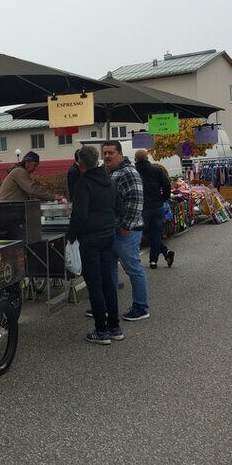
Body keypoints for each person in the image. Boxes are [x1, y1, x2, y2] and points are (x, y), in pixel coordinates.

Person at [67, 146, 124, 344]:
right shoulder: (108, 179)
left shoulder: (84, 183)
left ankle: (101, 331)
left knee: (95, 284)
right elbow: (119, 206)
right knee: (109, 281)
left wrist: (70, 236)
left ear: (80, 164)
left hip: (90, 238)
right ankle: (115, 327)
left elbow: (79, 214)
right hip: (108, 235)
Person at [101, 140, 150, 321]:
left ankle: (141, 307)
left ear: (119, 154)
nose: (106, 156)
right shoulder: (109, 172)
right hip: (111, 230)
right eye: (104, 152)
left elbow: (136, 200)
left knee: (133, 268)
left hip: (126, 231)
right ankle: (109, 306)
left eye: (111, 152)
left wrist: (125, 226)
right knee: (110, 269)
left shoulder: (128, 172)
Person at [134, 150, 175, 270]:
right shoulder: (157, 170)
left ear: (136, 160)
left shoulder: (134, 172)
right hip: (157, 206)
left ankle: (156, 258)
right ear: (147, 158)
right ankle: (159, 256)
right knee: (155, 233)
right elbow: (166, 185)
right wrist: (164, 198)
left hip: (143, 207)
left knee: (146, 233)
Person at [0, 151, 64, 202]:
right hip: (7, 208)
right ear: (27, 162)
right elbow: (32, 190)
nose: (35, 168)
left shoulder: (19, 171)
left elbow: (30, 193)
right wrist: (53, 197)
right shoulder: (20, 172)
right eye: (34, 165)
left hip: (8, 207)